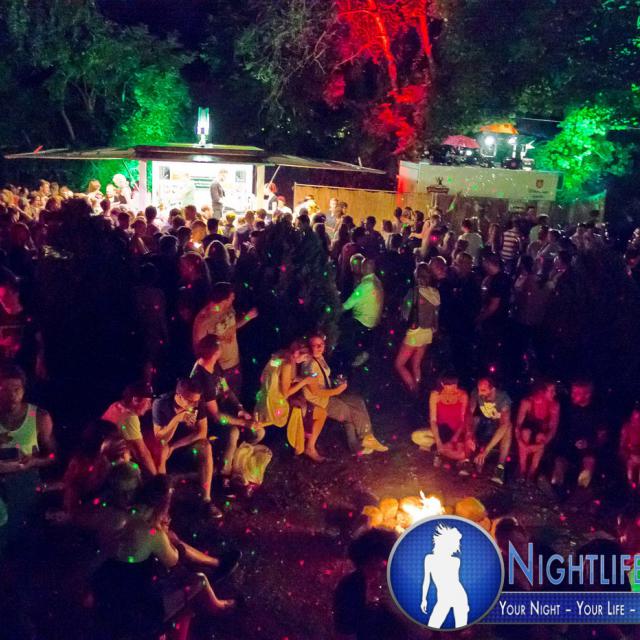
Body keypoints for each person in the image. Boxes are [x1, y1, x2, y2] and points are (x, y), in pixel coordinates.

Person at [93, 474, 233, 638]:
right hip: (136, 611)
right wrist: (169, 537)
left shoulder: (116, 515)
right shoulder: (153, 532)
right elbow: (174, 560)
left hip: (107, 597)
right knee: (197, 583)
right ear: (164, 504)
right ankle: (216, 607)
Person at [190, 335, 260, 491]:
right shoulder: (202, 377)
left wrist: (240, 409)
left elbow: (226, 390)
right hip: (205, 420)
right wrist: (244, 423)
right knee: (234, 432)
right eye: (220, 347)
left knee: (258, 431)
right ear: (216, 353)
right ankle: (224, 475)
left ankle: (238, 459)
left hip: (222, 410)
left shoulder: (213, 364)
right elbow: (215, 416)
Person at [303, 334, 387, 460]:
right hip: (319, 401)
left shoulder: (319, 358)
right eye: (316, 345)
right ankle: (358, 445)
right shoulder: (310, 365)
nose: (320, 347)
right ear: (310, 347)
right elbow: (315, 391)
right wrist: (337, 390)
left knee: (357, 401)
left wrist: (336, 382)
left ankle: (367, 437)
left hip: (329, 393)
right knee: (349, 413)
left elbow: (323, 379)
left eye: (321, 344)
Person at [150, 378, 220, 518]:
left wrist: (175, 446)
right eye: (191, 401)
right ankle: (162, 506)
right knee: (163, 449)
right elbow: (160, 438)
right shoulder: (161, 404)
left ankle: (206, 500)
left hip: (184, 446)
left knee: (206, 446)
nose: (194, 404)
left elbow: (202, 432)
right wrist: (177, 419)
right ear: (179, 396)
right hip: (166, 447)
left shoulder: (197, 403)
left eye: (196, 401)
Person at [0, 364, 56, 540]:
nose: (11, 395)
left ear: (24, 390)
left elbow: (53, 456)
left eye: (16, 389)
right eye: (5, 389)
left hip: (24, 485)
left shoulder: (39, 417)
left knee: (23, 534)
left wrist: (34, 462)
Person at [192, 282, 258, 396]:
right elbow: (198, 350)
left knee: (235, 399)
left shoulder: (228, 308)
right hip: (220, 370)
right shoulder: (203, 321)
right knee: (222, 401)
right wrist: (214, 371)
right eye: (231, 297)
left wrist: (247, 317)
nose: (234, 298)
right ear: (223, 300)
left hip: (235, 363)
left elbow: (231, 328)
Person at [254, 339, 315, 456]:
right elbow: (286, 393)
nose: (305, 360)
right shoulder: (287, 364)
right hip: (273, 402)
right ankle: (291, 447)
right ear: (298, 353)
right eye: (305, 357)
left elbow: (277, 375)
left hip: (264, 395)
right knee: (297, 409)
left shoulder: (281, 354)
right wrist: (305, 382)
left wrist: (299, 379)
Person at [551, 380, 608, 491]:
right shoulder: (567, 408)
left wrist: (589, 443)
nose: (572, 395)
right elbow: (561, 430)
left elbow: (602, 437)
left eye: (577, 393)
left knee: (589, 461)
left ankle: (581, 489)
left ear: (587, 395)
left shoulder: (598, 411)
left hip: (589, 448)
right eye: (572, 392)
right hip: (568, 446)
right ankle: (555, 487)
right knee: (559, 461)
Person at [395, 262, 440, 393]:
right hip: (428, 333)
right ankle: (418, 388)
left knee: (399, 364)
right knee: (416, 364)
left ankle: (413, 388)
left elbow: (405, 313)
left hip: (415, 332)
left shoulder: (414, 292)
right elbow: (436, 313)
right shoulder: (435, 292)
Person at [411, 373, 470, 467]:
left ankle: (436, 450)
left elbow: (464, 421)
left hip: (456, 433)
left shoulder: (463, 395)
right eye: (450, 386)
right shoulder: (435, 395)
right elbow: (433, 420)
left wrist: (454, 439)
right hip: (441, 431)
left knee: (463, 454)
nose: (453, 389)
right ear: (442, 384)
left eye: (455, 385)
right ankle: (441, 449)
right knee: (416, 436)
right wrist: (438, 441)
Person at [461, 376, 512, 485]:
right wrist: (469, 433)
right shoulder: (476, 393)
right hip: (485, 423)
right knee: (474, 420)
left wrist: (486, 451)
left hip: (498, 426)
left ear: (492, 389)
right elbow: (469, 413)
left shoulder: (503, 398)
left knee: (508, 427)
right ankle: (467, 461)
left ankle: (500, 468)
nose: (480, 393)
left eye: (483, 390)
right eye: (479, 389)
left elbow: (504, 425)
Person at [102, 382, 157, 475]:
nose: (150, 406)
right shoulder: (129, 417)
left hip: (104, 458)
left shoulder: (116, 405)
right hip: (112, 465)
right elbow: (143, 454)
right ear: (135, 400)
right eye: (148, 401)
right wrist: (156, 478)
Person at [341, 258, 384, 368]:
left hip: (363, 321)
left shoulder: (365, 285)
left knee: (343, 330)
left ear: (363, 269)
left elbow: (348, 304)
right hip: (374, 320)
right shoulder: (377, 281)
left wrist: (336, 310)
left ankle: (349, 361)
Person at [514, 380, 559, 481]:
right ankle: (522, 470)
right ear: (541, 392)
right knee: (525, 433)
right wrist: (520, 442)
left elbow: (552, 430)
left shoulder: (554, 406)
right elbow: (518, 425)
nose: (555, 393)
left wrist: (541, 445)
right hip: (528, 432)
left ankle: (532, 472)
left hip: (542, 435)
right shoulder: (527, 402)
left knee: (541, 436)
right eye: (552, 391)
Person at [620, 405, 640, 490]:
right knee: (629, 470)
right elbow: (622, 445)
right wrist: (627, 455)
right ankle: (630, 487)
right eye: (634, 418)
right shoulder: (627, 428)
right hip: (631, 457)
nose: (635, 421)